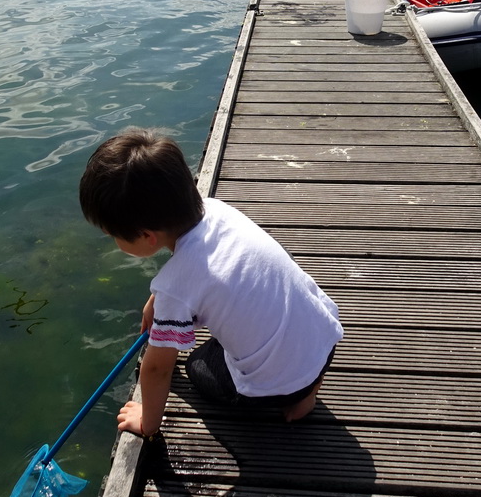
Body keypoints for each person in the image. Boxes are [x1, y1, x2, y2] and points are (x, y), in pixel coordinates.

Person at [79, 128, 343, 440]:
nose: (114, 241)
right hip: (324, 340)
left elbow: (158, 369)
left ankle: (295, 394)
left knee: (197, 366)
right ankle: (307, 390)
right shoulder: (217, 210)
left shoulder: (175, 287)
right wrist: (156, 301)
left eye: (114, 235)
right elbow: (202, 272)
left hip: (277, 384)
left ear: (147, 236)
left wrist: (147, 424)